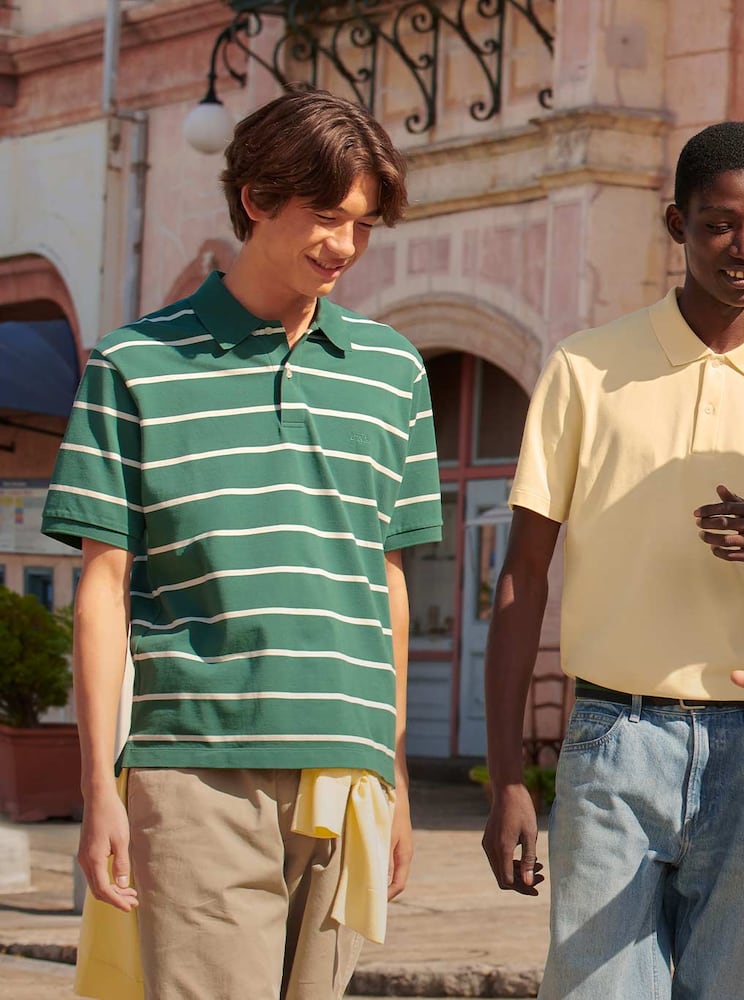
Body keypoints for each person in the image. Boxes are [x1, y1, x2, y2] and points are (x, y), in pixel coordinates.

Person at [45, 86, 438, 998]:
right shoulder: (132, 366)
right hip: (194, 769)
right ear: (258, 199)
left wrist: (396, 774)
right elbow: (102, 592)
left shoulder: (391, 372)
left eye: (363, 225)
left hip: (348, 766)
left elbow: (386, 582)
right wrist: (102, 786)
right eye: (325, 216)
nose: (344, 246)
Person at [479, 120, 744, 1000]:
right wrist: (506, 777)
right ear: (677, 225)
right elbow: (521, 580)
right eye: (718, 225)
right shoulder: (586, 371)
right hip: (611, 742)